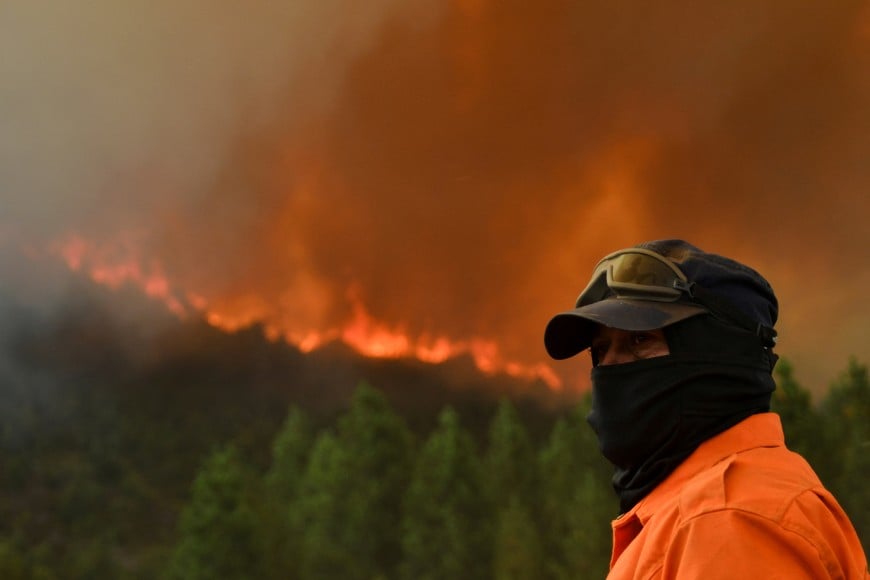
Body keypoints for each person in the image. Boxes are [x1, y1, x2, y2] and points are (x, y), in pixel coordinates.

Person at [543, 239, 868, 579]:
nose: (608, 369)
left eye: (640, 340)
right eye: (600, 350)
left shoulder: (728, 520)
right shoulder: (701, 512)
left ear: (716, 354)